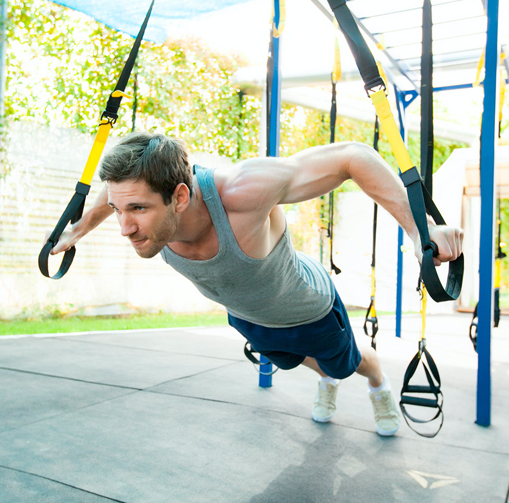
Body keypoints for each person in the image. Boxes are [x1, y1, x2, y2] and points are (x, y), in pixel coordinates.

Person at [48, 132, 463, 436]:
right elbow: (114, 193)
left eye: (137, 209)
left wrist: (419, 229)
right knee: (292, 361)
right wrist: (76, 231)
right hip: (249, 320)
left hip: (308, 307)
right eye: (120, 209)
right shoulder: (140, 205)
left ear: (178, 196)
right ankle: (326, 377)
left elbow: (352, 157)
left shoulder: (241, 192)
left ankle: (378, 384)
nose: (124, 227)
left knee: (347, 364)